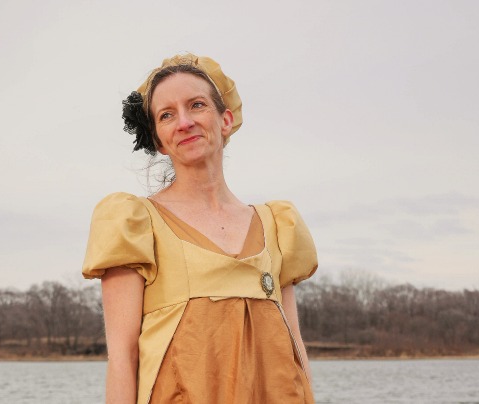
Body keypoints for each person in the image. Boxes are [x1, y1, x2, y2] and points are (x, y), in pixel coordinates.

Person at [82, 53, 318, 404]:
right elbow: (122, 359)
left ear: (225, 119)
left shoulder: (277, 224)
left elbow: (294, 345)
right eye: (166, 115)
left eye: (196, 105)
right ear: (159, 139)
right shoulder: (134, 222)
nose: (184, 122)